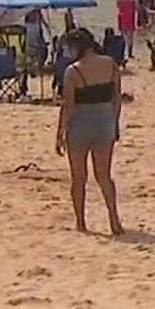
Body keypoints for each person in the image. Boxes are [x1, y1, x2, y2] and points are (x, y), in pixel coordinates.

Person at [52, 29, 127, 235]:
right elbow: (116, 99)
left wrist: (60, 133)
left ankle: (81, 223)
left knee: (79, 178)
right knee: (104, 176)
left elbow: (69, 105)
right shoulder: (110, 64)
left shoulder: (73, 71)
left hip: (80, 126)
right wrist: (115, 123)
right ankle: (114, 220)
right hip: (105, 123)